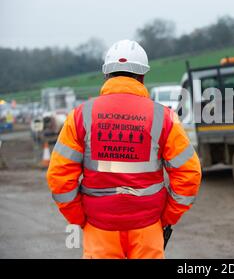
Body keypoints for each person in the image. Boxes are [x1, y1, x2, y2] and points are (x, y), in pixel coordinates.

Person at [46, 39, 201, 259]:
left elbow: (59, 178)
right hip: (148, 228)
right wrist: (167, 217)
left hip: (99, 228)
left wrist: (80, 218)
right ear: (143, 77)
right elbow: (189, 174)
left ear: (106, 75)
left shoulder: (80, 116)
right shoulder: (164, 118)